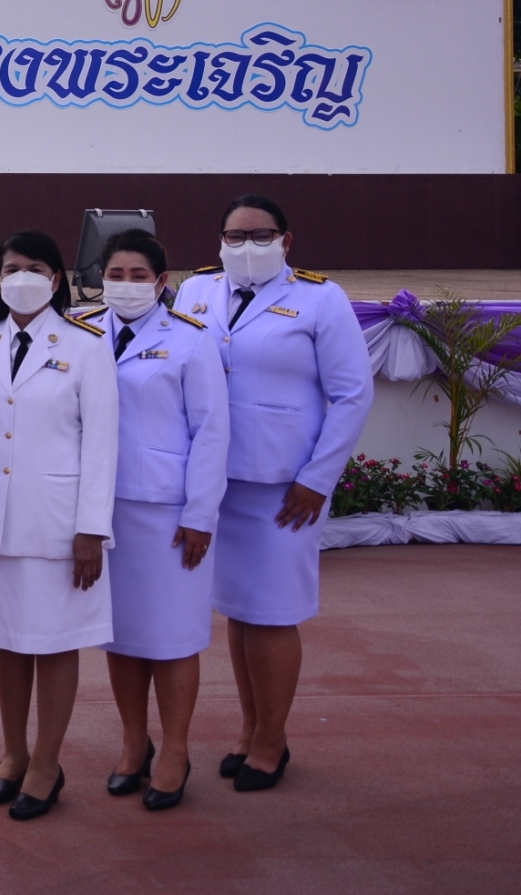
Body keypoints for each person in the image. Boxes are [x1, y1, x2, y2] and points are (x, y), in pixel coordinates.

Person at [173, 195, 373, 793]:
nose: (246, 246)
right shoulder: (196, 292)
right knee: (240, 611)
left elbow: (352, 394)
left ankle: (272, 740)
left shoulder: (320, 298)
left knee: (274, 614)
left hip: (285, 487)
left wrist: (318, 478)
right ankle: (250, 728)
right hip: (217, 480)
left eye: (261, 235)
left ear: (286, 241)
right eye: (235, 236)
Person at [0, 230, 116, 821]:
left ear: (56, 279)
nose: (21, 277)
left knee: (52, 641)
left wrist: (91, 528)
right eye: (10, 268)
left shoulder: (86, 346)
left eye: (34, 268)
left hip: (57, 522)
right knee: (6, 638)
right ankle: (14, 752)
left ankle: (47, 761)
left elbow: (101, 445)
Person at [76, 230, 229, 812]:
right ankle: (134, 742)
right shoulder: (82, 332)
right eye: (115, 274)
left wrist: (201, 513)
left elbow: (211, 431)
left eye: (139, 275)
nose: (126, 285)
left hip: (167, 514)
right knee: (121, 636)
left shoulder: (190, 339)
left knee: (172, 638)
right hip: (103, 510)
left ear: (162, 282)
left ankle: (177, 750)